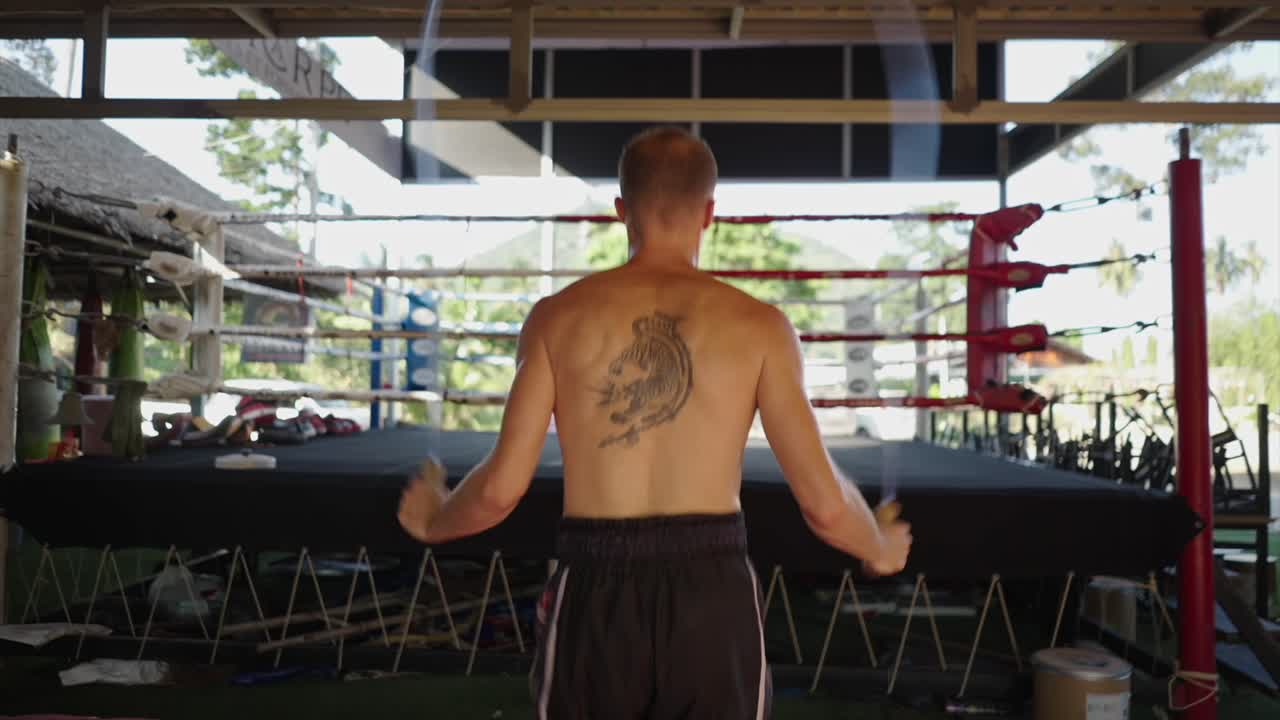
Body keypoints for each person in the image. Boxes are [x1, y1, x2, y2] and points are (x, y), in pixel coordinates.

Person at [397, 126, 912, 719]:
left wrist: (435, 520)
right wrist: (877, 545)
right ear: (710, 214)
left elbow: (499, 490)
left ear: (622, 211)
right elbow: (823, 504)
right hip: (711, 587)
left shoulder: (557, 319)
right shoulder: (760, 327)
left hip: (595, 581)